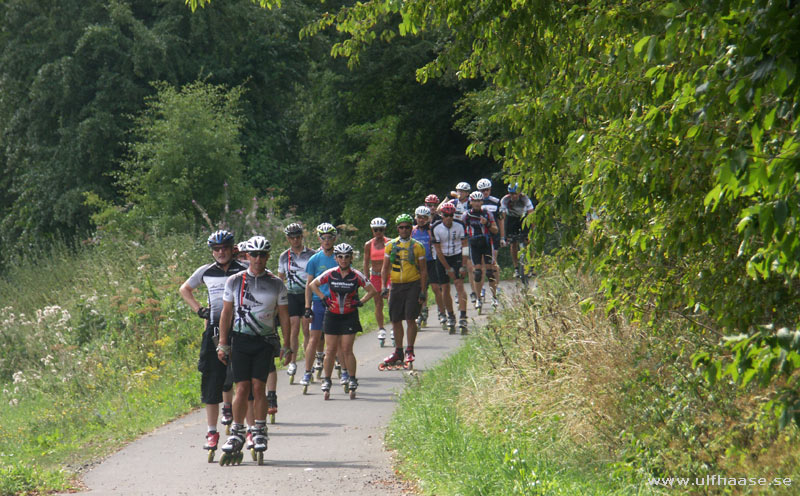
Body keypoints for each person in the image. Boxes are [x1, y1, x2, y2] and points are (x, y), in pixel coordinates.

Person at [215, 236, 291, 465]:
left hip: (264, 341)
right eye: (254, 254)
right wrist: (223, 343)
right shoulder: (235, 281)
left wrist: (288, 345)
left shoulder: (276, 283)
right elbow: (226, 313)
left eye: (262, 254)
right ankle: (238, 431)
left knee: (259, 387)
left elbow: (285, 316)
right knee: (241, 388)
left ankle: (259, 428)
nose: (258, 259)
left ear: (267, 256)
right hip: (240, 340)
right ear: (247, 256)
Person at [179, 230, 248, 458]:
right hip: (214, 331)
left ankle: (246, 429)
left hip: (241, 331)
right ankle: (211, 431)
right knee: (211, 381)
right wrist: (200, 310)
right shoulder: (206, 271)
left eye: (224, 248)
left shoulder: (244, 269)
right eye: (216, 249)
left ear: (232, 249)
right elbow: (184, 289)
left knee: (242, 380)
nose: (220, 253)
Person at [309, 243, 377, 399]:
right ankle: (327, 380)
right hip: (332, 315)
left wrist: (360, 302)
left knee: (346, 349)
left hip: (349, 316)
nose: (344, 260)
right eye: (340, 257)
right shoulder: (331, 273)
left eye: (347, 257)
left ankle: (352, 378)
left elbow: (372, 290)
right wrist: (323, 298)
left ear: (351, 258)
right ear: (336, 258)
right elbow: (313, 284)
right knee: (330, 350)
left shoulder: (356, 275)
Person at [380, 214, 427, 370]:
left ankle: (409, 350)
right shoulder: (390, 245)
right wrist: (383, 287)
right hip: (396, 285)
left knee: (410, 318)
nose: (405, 229)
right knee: (395, 319)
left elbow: (424, 270)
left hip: (412, 284)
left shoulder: (417, 246)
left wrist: (423, 290)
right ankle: (398, 351)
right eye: (401, 227)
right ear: (397, 229)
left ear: (411, 228)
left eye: (407, 227)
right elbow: (385, 268)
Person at [300, 223, 339, 389]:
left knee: (334, 339)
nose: (327, 241)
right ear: (319, 239)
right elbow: (309, 285)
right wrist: (307, 307)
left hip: (336, 302)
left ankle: (342, 369)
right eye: (324, 238)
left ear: (334, 238)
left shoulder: (340, 255)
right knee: (313, 338)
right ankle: (307, 371)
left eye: (330, 237)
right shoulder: (314, 259)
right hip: (318, 302)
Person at [431, 203, 470, 333]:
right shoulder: (436, 227)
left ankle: (463, 316)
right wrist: (447, 268)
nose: (448, 218)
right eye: (446, 215)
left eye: (451, 215)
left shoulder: (460, 225)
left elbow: (465, 246)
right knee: (445, 288)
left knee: (459, 285)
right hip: (442, 258)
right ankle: (451, 315)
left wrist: (464, 265)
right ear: (442, 215)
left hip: (457, 256)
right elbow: (437, 250)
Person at [462, 191, 499, 314]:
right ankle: (478, 298)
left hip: (487, 243)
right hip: (474, 244)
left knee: (490, 272)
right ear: (471, 202)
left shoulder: (487, 214)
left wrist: (487, 223)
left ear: (482, 202)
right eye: (475, 201)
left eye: (479, 201)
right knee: (477, 273)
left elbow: (495, 230)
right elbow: (462, 230)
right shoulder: (466, 215)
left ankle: (494, 297)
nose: (477, 203)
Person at [411, 206, 445, 328]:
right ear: (416, 218)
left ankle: (442, 313)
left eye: (424, 218)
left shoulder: (432, 229)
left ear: (429, 218)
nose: (421, 220)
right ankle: (420, 313)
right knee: (420, 290)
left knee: (436, 288)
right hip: (417, 264)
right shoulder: (412, 231)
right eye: (419, 217)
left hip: (431, 262)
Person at [363, 217, 391, 346]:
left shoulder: (389, 242)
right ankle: (381, 328)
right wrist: (366, 278)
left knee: (391, 301)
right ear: (372, 231)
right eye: (375, 230)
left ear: (384, 230)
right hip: (375, 276)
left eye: (380, 230)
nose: (378, 232)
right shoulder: (369, 244)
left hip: (389, 275)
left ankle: (394, 326)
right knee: (378, 303)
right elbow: (366, 261)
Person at [500, 182, 537, 277]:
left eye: (516, 193)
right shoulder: (505, 200)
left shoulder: (525, 198)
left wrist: (533, 232)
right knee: (513, 243)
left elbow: (531, 215)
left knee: (528, 241)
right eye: (511, 193)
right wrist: (503, 236)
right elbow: (503, 219)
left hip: (523, 218)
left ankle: (531, 266)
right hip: (511, 219)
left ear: (519, 192)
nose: (514, 196)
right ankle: (516, 268)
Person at [476, 178, 502, 308]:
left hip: (493, 236)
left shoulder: (496, 202)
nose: (485, 192)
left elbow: (500, 220)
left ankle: (495, 291)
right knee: (480, 266)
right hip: (479, 237)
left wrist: (502, 236)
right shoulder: (474, 202)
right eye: (482, 190)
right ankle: (480, 292)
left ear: (490, 189)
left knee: (492, 264)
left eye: (487, 190)